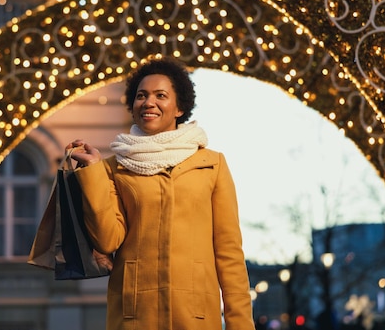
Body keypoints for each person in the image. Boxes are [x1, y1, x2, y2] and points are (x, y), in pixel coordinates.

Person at [67, 57, 256, 330]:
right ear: (133, 106)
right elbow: (107, 241)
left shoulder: (212, 164)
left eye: (160, 95)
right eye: (141, 95)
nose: (148, 102)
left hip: (195, 317)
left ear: (179, 107)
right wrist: (93, 173)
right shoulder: (113, 167)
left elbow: (229, 254)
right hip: (134, 316)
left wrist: (241, 325)